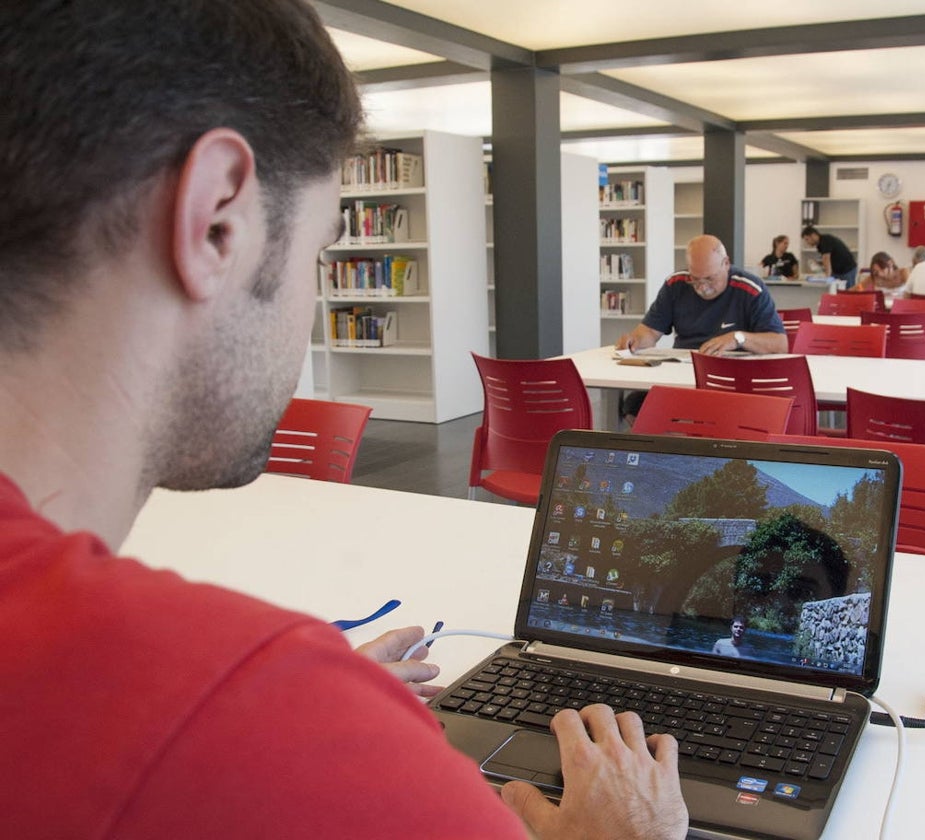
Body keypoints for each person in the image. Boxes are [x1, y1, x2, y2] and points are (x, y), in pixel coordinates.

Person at [0, 3, 687, 839]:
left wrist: (313, 716)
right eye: (323, 249)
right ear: (218, 220)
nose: (315, 300)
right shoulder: (245, 711)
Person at [616, 235, 788, 357]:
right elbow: (650, 331)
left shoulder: (750, 289)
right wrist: (635, 340)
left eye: (709, 278)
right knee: (636, 402)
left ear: (726, 264)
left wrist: (738, 338)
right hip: (684, 370)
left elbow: (780, 344)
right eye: (695, 279)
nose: (702, 287)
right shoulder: (676, 284)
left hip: (733, 375)